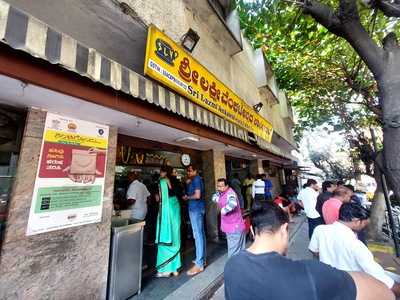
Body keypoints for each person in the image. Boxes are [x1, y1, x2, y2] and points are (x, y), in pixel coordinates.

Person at [224, 204, 394, 300]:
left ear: (252, 232)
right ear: (284, 229)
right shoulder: (311, 273)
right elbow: (384, 294)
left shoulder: (232, 265)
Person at [309, 202, 400, 297]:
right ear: (356, 221)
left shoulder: (320, 230)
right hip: (352, 287)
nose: (364, 227)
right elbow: (379, 277)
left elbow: (314, 250)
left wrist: (329, 257)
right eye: (364, 224)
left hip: (327, 282)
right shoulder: (356, 246)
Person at [155, 166, 182, 277]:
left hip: (166, 210)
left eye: (161, 171)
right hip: (175, 209)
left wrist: (157, 197)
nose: (160, 173)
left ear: (164, 173)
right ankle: (175, 269)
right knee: (175, 236)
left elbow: (160, 199)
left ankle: (164, 270)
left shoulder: (162, 181)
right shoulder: (176, 182)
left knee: (165, 235)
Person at [212, 178, 246, 257]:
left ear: (227, 186)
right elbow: (214, 197)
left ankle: (233, 268)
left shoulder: (230, 193)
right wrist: (218, 197)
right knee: (238, 252)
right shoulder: (222, 193)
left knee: (234, 253)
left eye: (221, 186)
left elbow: (232, 204)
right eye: (218, 186)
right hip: (230, 227)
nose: (219, 188)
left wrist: (223, 210)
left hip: (235, 228)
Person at [182, 165, 206, 276]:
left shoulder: (196, 179)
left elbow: (197, 195)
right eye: (187, 171)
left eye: (190, 170)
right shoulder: (194, 180)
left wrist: (187, 198)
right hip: (198, 208)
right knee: (201, 234)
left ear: (195, 171)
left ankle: (199, 264)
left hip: (195, 209)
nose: (188, 172)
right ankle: (202, 259)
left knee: (197, 235)